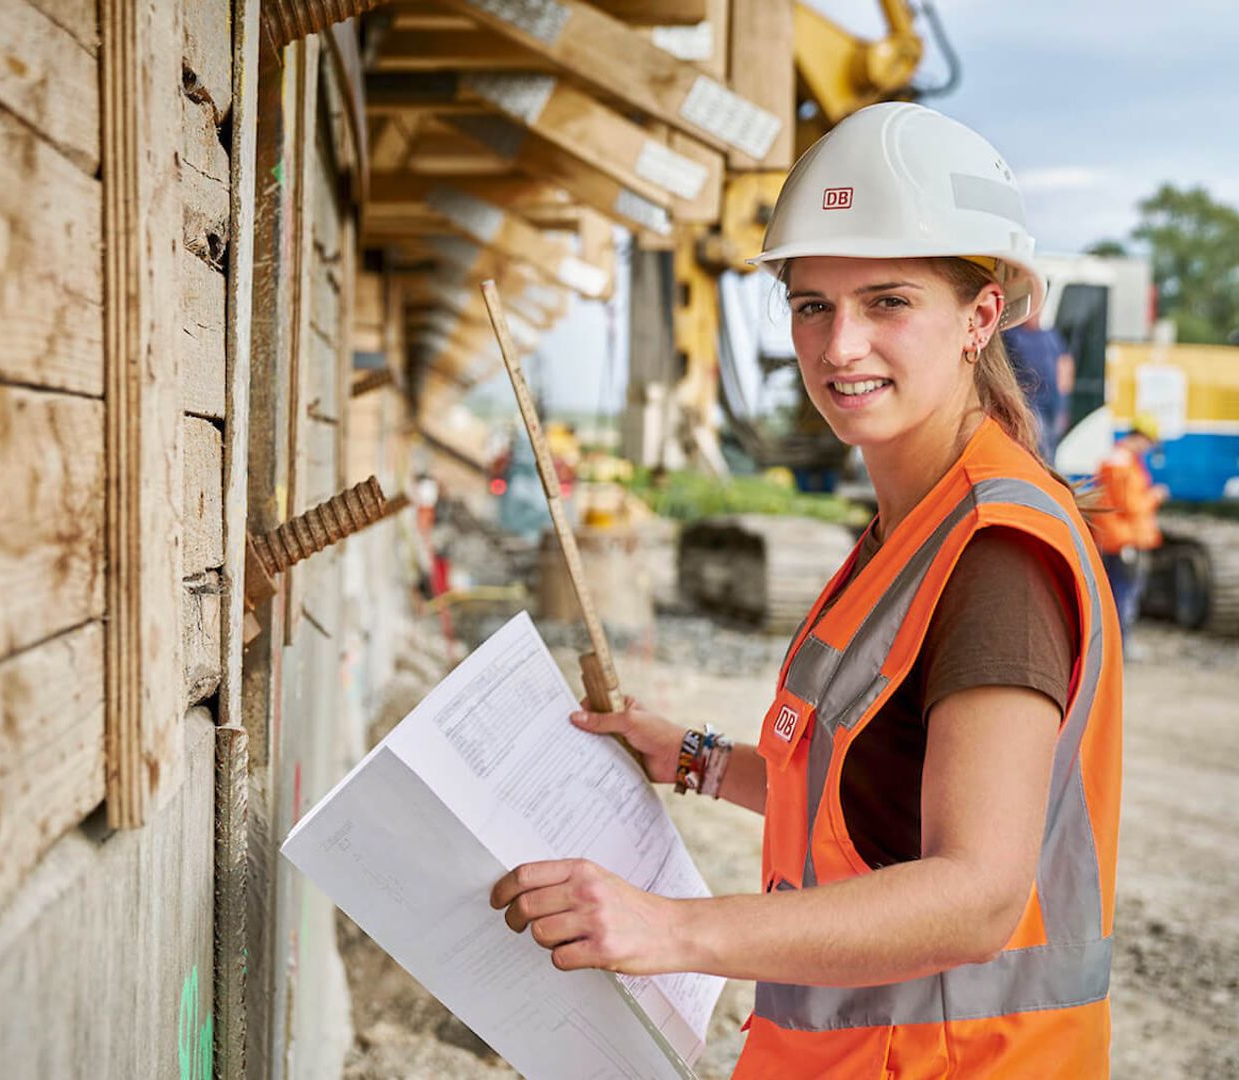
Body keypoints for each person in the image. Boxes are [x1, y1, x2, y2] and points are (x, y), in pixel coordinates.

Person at [489, 103, 1122, 1076]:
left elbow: (980, 894)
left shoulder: (996, 555)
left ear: (980, 316)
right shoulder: (911, 526)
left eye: (888, 302)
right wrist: (695, 758)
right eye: (812, 305)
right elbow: (861, 790)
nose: (839, 347)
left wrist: (673, 931)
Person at [1092, 415, 1168, 654]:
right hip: (1125, 539)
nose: (1148, 449)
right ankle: (1121, 647)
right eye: (1149, 443)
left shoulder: (1121, 460)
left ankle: (1115, 645)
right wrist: (1155, 496)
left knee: (1118, 591)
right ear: (1140, 438)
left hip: (1119, 538)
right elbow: (1130, 506)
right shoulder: (1122, 464)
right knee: (1124, 594)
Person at [1001, 308, 1074, 458]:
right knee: (1039, 445)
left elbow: (1065, 365)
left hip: (1053, 402)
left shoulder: (1052, 336)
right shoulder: (1012, 335)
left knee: (1051, 445)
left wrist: (1063, 403)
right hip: (1030, 403)